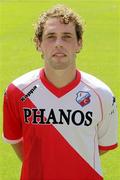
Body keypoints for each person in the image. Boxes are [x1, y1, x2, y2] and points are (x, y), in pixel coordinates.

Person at [3, 4, 118, 180]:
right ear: (38, 43)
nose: (58, 44)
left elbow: (103, 146)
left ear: (79, 43)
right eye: (51, 37)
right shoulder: (17, 91)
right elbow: (16, 141)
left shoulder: (101, 94)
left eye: (66, 37)